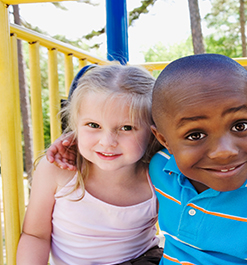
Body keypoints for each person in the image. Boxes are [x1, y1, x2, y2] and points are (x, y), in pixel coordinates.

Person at [47, 54, 247, 264]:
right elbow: (119, 147)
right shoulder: (161, 168)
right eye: (195, 135)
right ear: (163, 140)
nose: (223, 150)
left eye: (240, 126)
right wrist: (72, 142)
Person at [17, 64, 163, 265]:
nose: (107, 141)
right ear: (75, 125)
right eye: (93, 125)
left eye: (126, 128)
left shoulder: (159, 174)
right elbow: (35, 235)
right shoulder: (57, 171)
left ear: (153, 133)